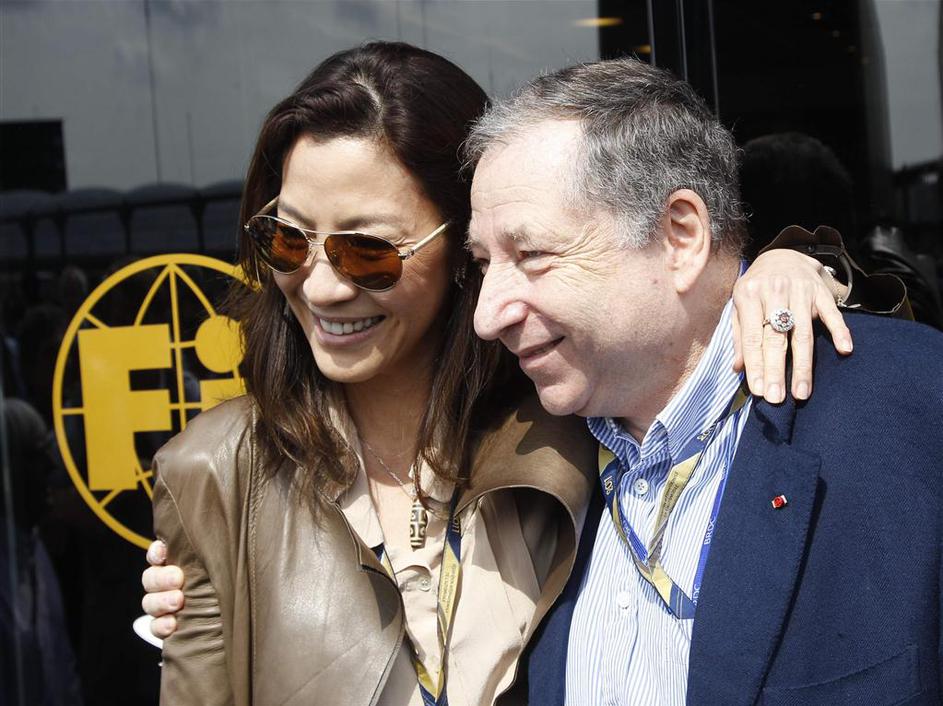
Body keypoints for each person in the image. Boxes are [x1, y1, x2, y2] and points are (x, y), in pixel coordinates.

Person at [143, 44, 868, 705]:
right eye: (286, 239)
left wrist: (788, 265)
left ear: (465, 246)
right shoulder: (215, 471)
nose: (322, 286)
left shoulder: (570, 414)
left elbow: (680, 334)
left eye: (367, 251)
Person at [460, 57, 942, 703]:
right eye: (482, 263)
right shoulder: (526, 455)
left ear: (680, 237)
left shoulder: (909, 412)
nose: (488, 316)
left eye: (532, 255)